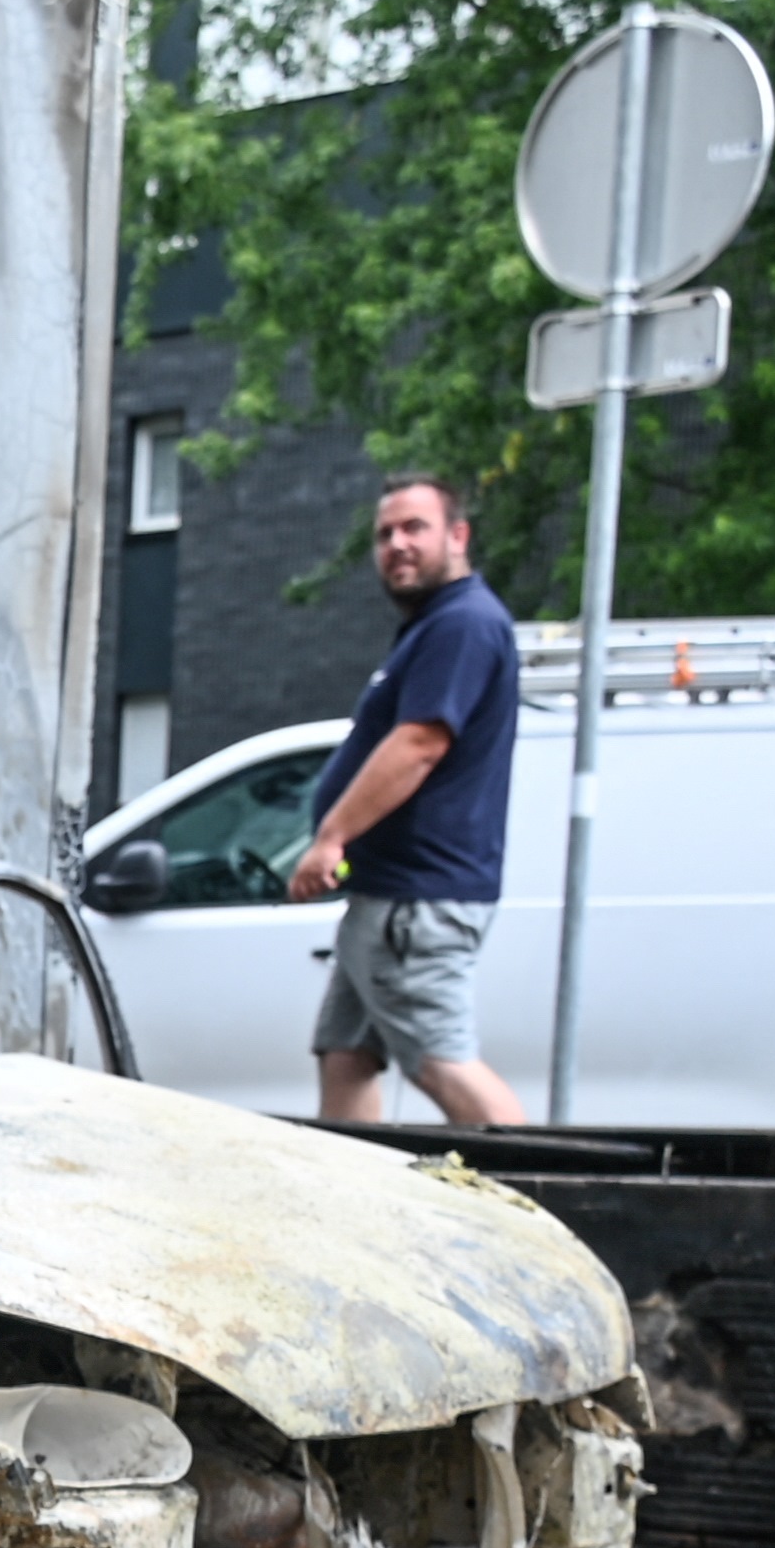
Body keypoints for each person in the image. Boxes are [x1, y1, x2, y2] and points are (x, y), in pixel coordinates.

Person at [281, 472, 531, 1126]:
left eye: (414, 527)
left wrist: (331, 836)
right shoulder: (436, 627)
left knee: (443, 1065)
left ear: (458, 535)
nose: (396, 544)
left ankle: (546, 1198)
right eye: (384, 533)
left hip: (415, 904)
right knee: (345, 1054)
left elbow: (419, 743)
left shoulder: (464, 625)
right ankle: (348, 1206)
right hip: (389, 898)